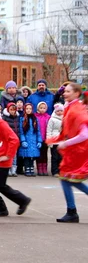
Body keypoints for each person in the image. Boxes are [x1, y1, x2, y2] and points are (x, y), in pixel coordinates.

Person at [46, 83, 88, 223]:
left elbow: (84, 135)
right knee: (66, 179)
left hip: (78, 152)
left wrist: (65, 143)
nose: (65, 93)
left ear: (76, 93)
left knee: (69, 179)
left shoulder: (77, 110)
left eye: (68, 91)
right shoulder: (70, 107)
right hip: (73, 152)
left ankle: (72, 211)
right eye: (65, 91)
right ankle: (71, 211)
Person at [0, 100, 32, 217]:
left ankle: (23, 200)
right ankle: (2, 209)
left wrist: (8, 156)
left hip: (1, 160)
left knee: (0, 186)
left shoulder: (0, 123)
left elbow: (14, 139)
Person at [19, 103, 42, 177]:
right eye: (27, 109)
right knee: (26, 157)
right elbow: (21, 131)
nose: (28, 110)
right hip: (26, 140)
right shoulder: (22, 119)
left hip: (34, 141)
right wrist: (23, 141)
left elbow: (38, 131)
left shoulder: (35, 119)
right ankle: (27, 169)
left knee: (32, 157)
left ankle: (31, 169)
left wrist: (39, 141)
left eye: (30, 109)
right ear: (25, 109)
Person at [47, 103, 64, 177]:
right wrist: (49, 141)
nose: (59, 112)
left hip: (62, 141)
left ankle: (61, 170)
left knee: (61, 157)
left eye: (61, 110)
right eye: (58, 111)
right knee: (54, 157)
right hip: (54, 141)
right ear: (55, 111)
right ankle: (54, 171)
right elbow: (49, 130)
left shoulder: (65, 118)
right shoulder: (52, 119)